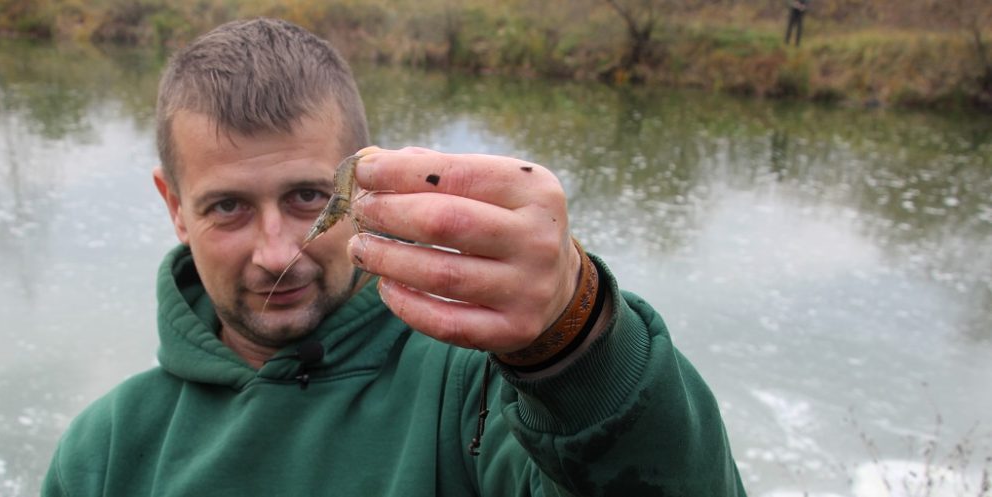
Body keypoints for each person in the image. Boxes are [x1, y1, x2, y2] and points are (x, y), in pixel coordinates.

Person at [42, 18, 745, 496]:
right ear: (173, 206)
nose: (276, 251)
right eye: (226, 206)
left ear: (364, 179)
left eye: (309, 197)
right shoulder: (103, 451)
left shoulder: (474, 385)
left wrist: (579, 338)